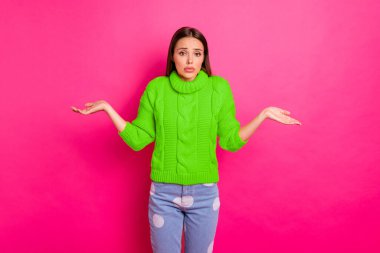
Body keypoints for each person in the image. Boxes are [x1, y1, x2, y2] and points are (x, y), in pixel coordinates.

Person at [71, 26, 301, 253]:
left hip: (205, 194)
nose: (190, 60)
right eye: (182, 52)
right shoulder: (157, 89)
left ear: (204, 58)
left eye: (197, 53)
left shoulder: (218, 89)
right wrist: (109, 110)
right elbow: (138, 139)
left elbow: (230, 140)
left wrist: (263, 116)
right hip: (163, 194)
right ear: (172, 56)